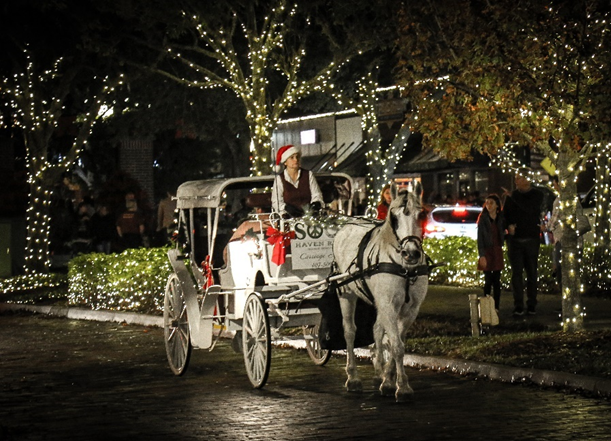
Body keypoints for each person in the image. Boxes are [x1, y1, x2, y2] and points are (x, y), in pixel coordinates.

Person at [503, 168, 545, 316]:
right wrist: (508, 226)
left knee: (532, 272)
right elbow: (505, 215)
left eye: (519, 178)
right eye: (516, 178)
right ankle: (518, 305)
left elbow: (530, 209)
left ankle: (532, 303)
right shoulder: (511, 196)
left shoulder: (537, 195)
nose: (516, 181)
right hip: (515, 240)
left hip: (531, 239)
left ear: (527, 179)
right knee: (516, 274)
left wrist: (513, 197)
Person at [271, 144, 324, 217]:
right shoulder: (279, 179)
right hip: (289, 218)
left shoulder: (308, 175)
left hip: (309, 217)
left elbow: (316, 194)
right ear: (285, 162)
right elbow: (276, 201)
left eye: (297, 157)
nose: (295, 160)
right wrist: (285, 208)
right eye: (292, 158)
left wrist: (315, 204)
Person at [476, 194, 505, 311]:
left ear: (497, 205)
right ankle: (486, 305)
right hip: (487, 251)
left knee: (497, 280)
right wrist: (481, 255)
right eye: (487, 203)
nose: (488, 205)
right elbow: (480, 238)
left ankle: (496, 306)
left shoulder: (501, 218)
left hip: (497, 250)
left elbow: (502, 232)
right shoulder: (483, 219)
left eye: (491, 203)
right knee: (488, 280)